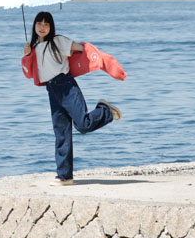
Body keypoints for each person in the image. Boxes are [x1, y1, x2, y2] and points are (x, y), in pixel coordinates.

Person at [22, 11, 124, 185]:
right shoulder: (33, 48)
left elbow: (81, 48)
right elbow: (30, 72)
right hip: (52, 90)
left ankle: (105, 110)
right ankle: (64, 176)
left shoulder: (58, 41)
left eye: (46, 24)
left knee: (83, 125)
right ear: (34, 26)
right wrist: (26, 54)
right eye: (39, 23)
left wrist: (94, 57)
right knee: (61, 133)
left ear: (51, 27)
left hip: (66, 85)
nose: (42, 27)